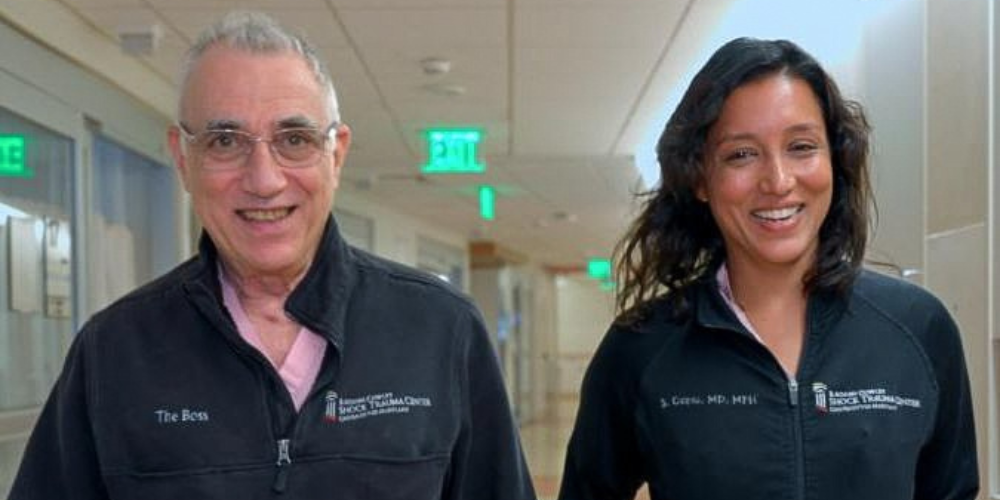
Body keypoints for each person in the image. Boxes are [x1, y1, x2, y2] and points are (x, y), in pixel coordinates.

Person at [10, 11, 536, 500]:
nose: (264, 179)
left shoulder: (441, 331)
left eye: (295, 138)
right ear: (182, 157)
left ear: (337, 153)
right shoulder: (115, 353)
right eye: (224, 141)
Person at [558, 37, 978, 500]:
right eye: (741, 154)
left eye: (801, 146)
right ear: (700, 177)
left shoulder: (918, 330)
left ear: (835, 162)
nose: (778, 181)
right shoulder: (642, 348)